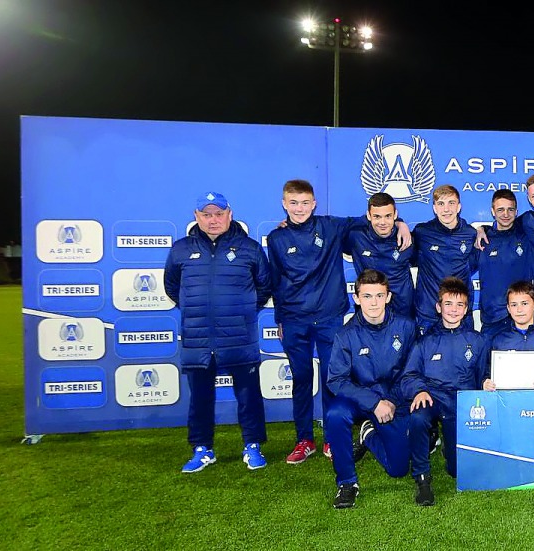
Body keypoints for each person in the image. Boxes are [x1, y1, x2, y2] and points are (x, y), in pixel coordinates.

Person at [268, 179, 410, 463]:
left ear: (314, 203)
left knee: (332, 380)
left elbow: (374, 216)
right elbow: (275, 281)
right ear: (284, 204)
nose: (300, 208)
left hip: (330, 317)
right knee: (301, 379)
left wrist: (402, 223)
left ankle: (332, 440)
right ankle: (304, 439)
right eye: (293, 203)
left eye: (305, 202)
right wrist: (280, 317)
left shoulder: (330, 226)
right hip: (294, 320)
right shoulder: (276, 238)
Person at [164, 192, 271, 473]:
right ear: (197, 217)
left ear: (229, 214)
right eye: (207, 215)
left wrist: (244, 310)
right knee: (200, 397)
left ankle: (252, 446)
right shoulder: (181, 249)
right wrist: (194, 307)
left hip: (239, 336)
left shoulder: (249, 248)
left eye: (219, 214)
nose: (213, 220)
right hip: (198, 338)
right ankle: (202, 449)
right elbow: (172, 288)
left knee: (248, 396)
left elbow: (264, 286)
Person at [324, 269, 419, 509]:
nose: (373, 302)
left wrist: (392, 402)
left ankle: (368, 435)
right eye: (367, 296)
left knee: (398, 469)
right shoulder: (346, 334)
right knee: (335, 414)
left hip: (393, 400)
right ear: (356, 299)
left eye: (379, 295)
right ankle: (347, 483)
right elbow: (336, 380)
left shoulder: (406, 327)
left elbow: (412, 371)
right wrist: (373, 403)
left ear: (388, 297)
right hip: (358, 399)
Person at [402, 277, 490, 505]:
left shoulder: (478, 341)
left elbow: (484, 374)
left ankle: (449, 450)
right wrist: (419, 390)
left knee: (455, 471)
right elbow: (409, 375)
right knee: (418, 418)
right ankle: (422, 479)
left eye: (459, 305)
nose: (453, 310)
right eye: (448, 304)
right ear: (438, 307)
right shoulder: (425, 342)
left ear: (467, 309)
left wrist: (487, 381)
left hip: (460, 404)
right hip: (433, 398)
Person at [411, 185, 481, 334]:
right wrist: (400, 223)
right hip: (428, 314)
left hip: (460, 314)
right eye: (441, 204)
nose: (446, 209)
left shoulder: (471, 234)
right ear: (434, 208)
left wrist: (483, 229)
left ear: (459, 207)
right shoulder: (422, 232)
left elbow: (473, 264)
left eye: (451, 203)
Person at [344, 192, 416, 320]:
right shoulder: (356, 237)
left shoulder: (407, 240)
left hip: (402, 313)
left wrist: (401, 224)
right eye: (377, 216)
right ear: (368, 216)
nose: (382, 222)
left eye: (388, 216)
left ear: (395, 215)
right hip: (370, 312)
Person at [477, 189, 533, 339]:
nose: (506, 214)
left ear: (516, 211)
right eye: (500, 209)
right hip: (492, 321)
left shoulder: (527, 236)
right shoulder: (482, 241)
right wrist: (481, 229)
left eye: (510, 209)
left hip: (522, 319)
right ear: (492, 211)